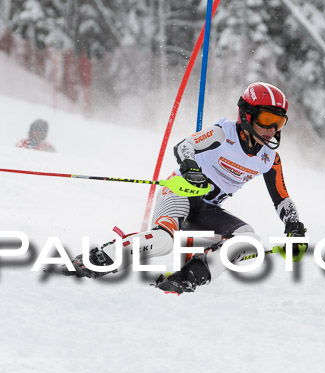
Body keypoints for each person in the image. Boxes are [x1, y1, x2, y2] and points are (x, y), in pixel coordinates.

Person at [65, 82, 308, 295]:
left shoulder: (269, 158)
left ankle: (187, 279)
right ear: (247, 114)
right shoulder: (223, 133)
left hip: (208, 210)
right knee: (163, 241)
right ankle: (96, 261)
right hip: (180, 194)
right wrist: (191, 168)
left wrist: (294, 227)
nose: (272, 129)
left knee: (247, 240)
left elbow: (282, 199)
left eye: (279, 122)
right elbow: (185, 146)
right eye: (267, 120)